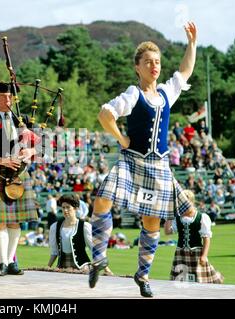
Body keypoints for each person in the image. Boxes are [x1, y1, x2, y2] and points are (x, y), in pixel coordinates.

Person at [89, 22, 197, 297]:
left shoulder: (165, 93)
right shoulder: (133, 93)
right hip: (132, 160)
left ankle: (143, 274)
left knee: (152, 223)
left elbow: (184, 72)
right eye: (148, 62)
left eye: (157, 62)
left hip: (159, 164)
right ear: (137, 67)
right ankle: (99, 257)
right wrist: (121, 139)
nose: (154, 66)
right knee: (102, 198)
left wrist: (192, 45)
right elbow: (105, 115)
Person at [0, 82, 39, 277]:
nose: (7, 99)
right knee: (0, 222)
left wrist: (31, 150)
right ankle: (1, 262)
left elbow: (44, 146)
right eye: (3, 96)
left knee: (15, 222)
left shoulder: (24, 119)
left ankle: (11, 261)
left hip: (19, 175)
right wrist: (3, 159)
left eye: (10, 96)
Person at [165, 190, 223, 284]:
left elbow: (206, 238)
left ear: (191, 202)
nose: (181, 206)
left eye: (184, 203)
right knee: (180, 283)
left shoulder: (202, 217)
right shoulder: (178, 217)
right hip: (181, 254)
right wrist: (169, 215)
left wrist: (204, 256)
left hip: (196, 253)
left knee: (200, 281)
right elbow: (168, 231)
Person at [48, 194, 92, 270]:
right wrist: (48, 267)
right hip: (62, 267)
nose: (65, 210)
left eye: (68, 207)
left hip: (82, 267)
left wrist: (106, 269)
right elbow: (54, 252)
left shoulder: (84, 226)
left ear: (75, 208)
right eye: (63, 207)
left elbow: (93, 249)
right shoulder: (55, 227)